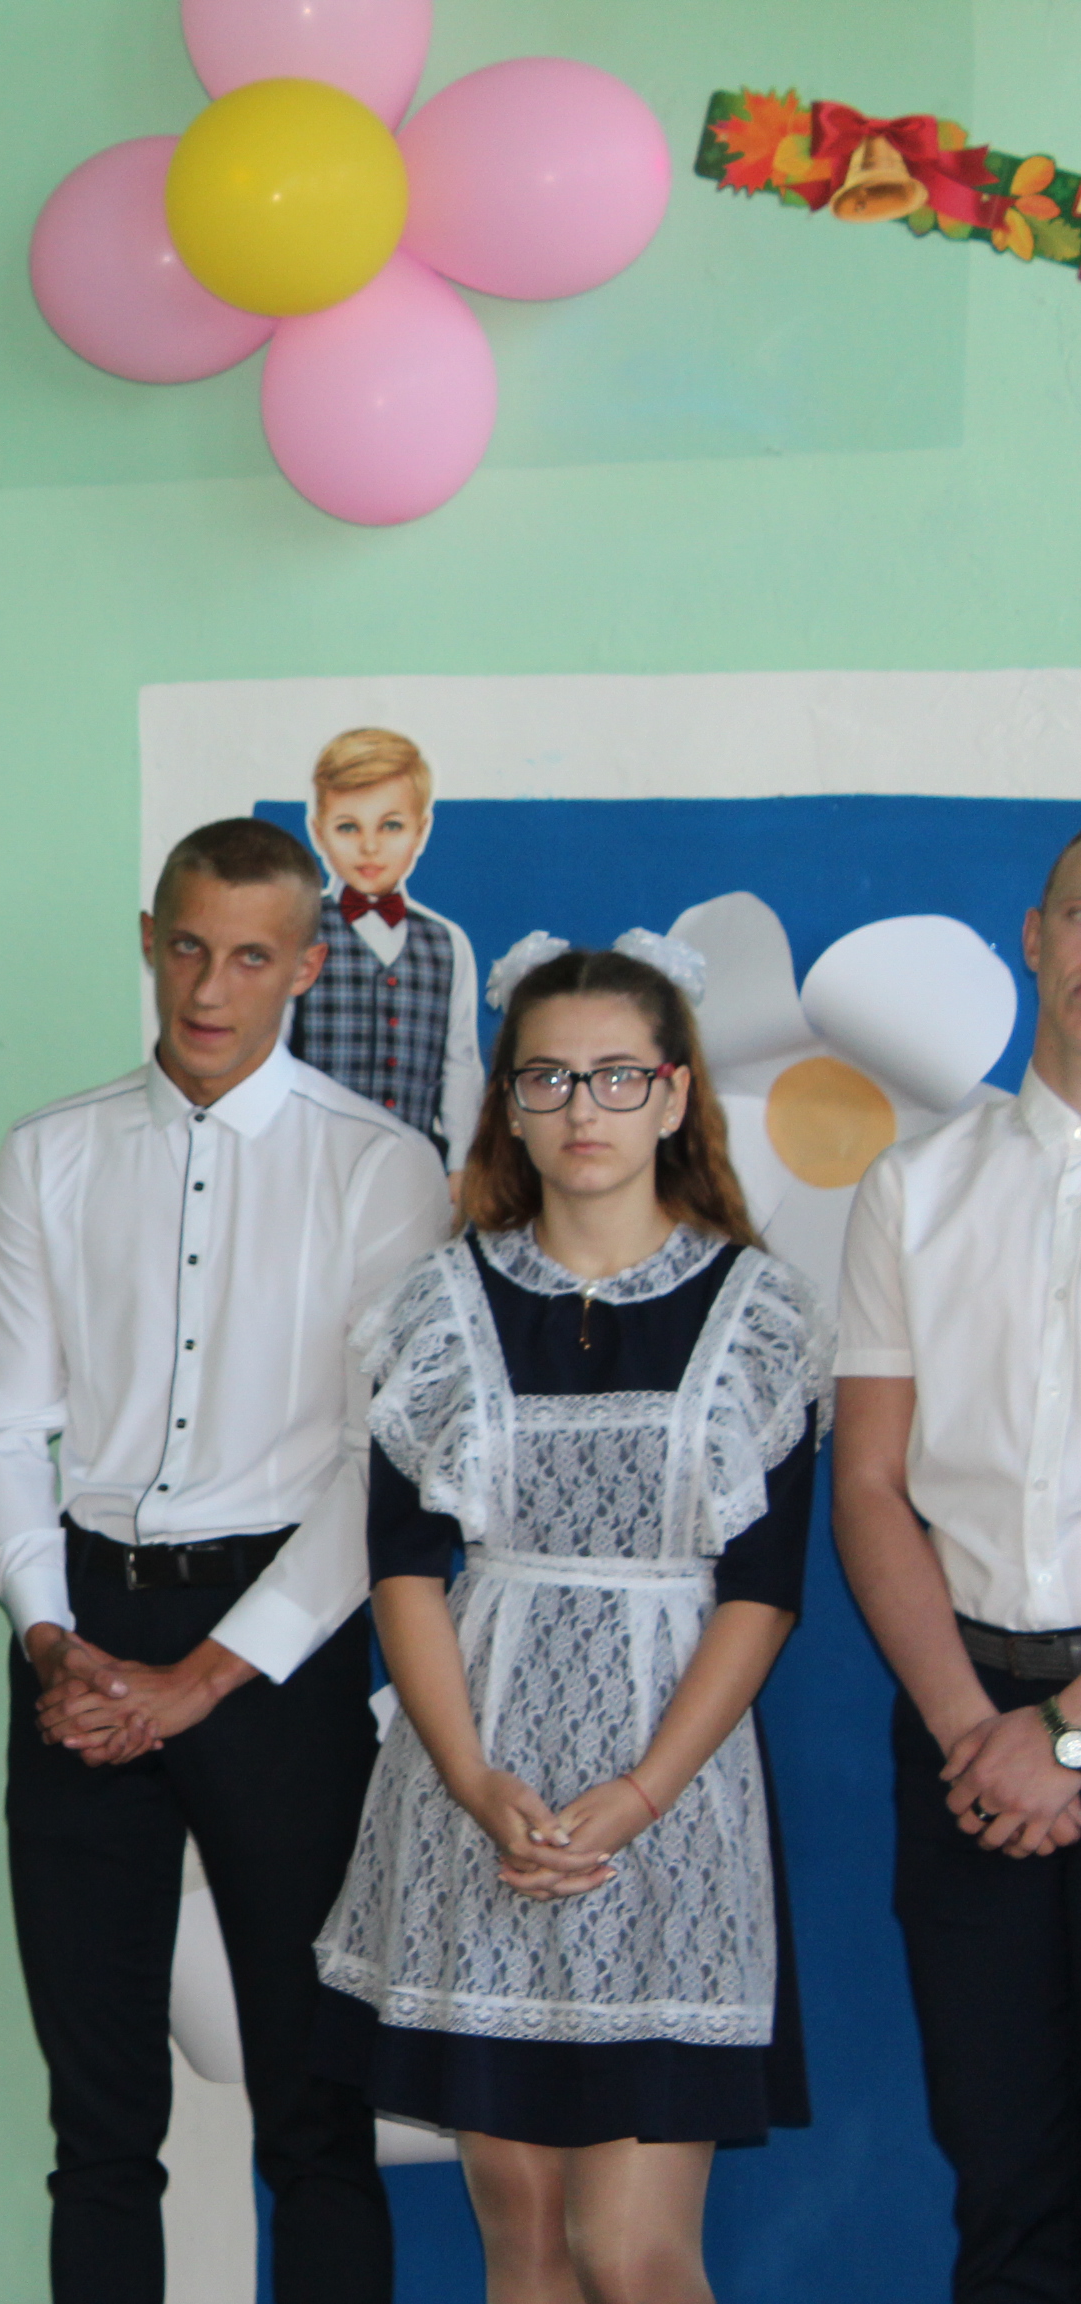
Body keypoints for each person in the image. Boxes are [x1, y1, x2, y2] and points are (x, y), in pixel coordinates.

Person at [0, 815, 446, 2304]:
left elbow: (378, 1472)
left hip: (280, 1650)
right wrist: (51, 1642)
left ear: (306, 967)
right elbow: (9, 1427)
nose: (209, 988)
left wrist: (206, 1679)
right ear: (149, 941)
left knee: (316, 2113)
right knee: (98, 2125)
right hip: (82, 1633)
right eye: (186, 947)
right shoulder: (51, 1152)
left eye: (248, 956)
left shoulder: (380, 1168)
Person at [314, 937, 822, 2304]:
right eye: (548, 1078)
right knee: (526, 2244)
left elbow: (764, 1589)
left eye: (616, 1076)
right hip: (480, 1797)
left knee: (630, 2251)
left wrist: (641, 1794)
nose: (582, 1108)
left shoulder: (759, 1313)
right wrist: (477, 1783)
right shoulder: (437, 1307)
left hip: (672, 1801)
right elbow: (404, 1570)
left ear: (673, 1095)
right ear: (511, 1105)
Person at [833, 830, 1081, 2304]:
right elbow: (869, 1483)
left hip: (1048, 1734)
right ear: (1038, 939)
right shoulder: (915, 1187)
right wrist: (976, 1736)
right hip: (966, 1729)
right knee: (1007, 2187)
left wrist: (1066, 1739)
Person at [287, 728, 483, 1159]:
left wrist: (459, 1162)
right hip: (317, 1159)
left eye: (391, 825)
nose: (370, 846)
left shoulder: (448, 943)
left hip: (414, 1165)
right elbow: (272, 1053)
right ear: (318, 833)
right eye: (348, 827)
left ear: (421, 831)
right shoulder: (296, 931)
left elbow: (461, 1064)